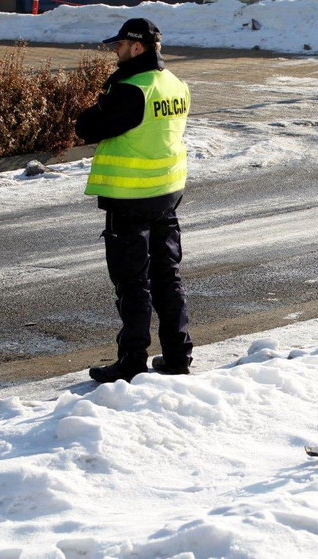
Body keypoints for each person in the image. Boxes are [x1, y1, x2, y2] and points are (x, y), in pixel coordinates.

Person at [76, 18, 193, 383]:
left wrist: (100, 101)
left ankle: (131, 362)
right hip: (167, 193)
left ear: (138, 47)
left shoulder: (131, 89)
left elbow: (88, 126)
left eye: (121, 44)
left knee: (132, 284)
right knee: (167, 276)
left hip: (130, 197)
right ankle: (177, 356)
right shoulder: (174, 84)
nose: (116, 50)